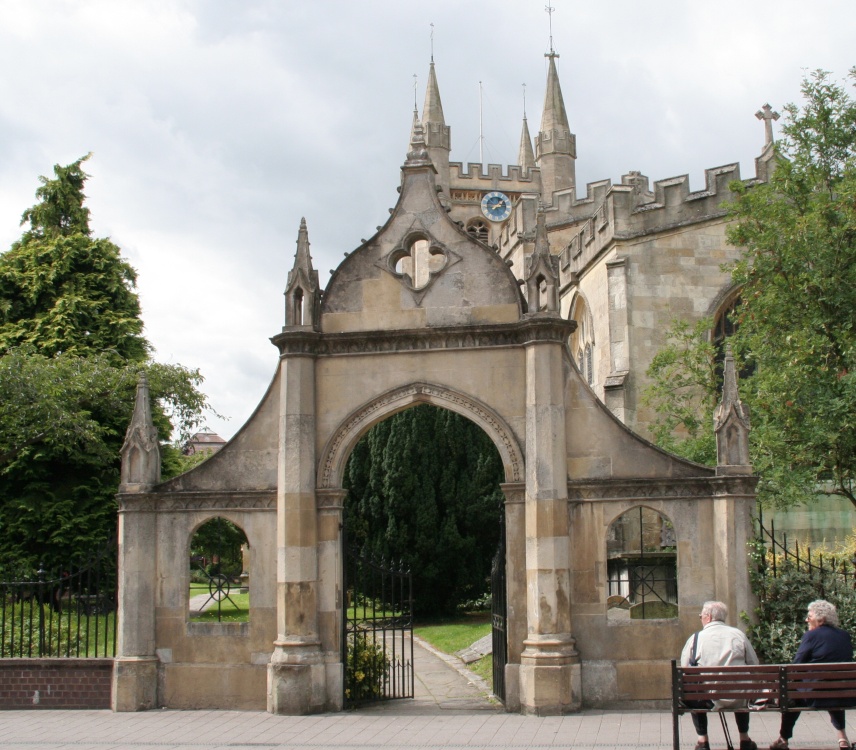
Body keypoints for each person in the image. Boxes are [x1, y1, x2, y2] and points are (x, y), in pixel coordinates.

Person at [770, 599, 853, 750]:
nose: (806, 620)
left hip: (815, 695)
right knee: (832, 687)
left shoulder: (811, 636)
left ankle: (783, 739)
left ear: (821, 619)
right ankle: (842, 737)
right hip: (843, 694)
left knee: (794, 693)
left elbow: (796, 665)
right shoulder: (844, 635)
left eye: (809, 616)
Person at [681, 601, 759, 750]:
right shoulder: (738, 635)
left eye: (701, 616)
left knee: (693, 690)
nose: (701, 619)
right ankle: (744, 738)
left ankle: (702, 740)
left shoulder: (696, 639)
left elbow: (685, 670)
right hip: (739, 697)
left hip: (709, 699)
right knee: (741, 687)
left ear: (709, 617)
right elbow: (754, 664)